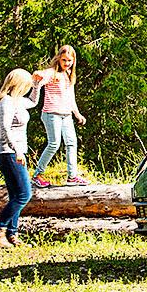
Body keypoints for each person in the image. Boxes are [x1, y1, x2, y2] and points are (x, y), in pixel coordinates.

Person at [0, 68, 42, 248]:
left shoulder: (18, 101)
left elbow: (33, 102)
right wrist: (17, 151)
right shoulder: (6, 102)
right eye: (26, 85)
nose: (28, 88)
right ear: (18, 84)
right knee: (24, 194)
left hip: (14, 153)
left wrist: (37, 85)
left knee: (15, 195)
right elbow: (5, 129)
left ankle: (12, 234)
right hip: (8, 153)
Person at [31, 45, 89, 187]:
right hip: (51, 114)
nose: (66, 63)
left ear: (73, 61)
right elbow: (41, 76)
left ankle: (72, 177)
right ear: (58, 59)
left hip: (66, 115)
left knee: (72, 142)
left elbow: (71, 98)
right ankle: (37, 175)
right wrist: (37, 77)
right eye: (64, 60)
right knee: (54, 144)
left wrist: (77, 114)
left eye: (69, 60)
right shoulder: (52, 73)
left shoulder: (69, 74)